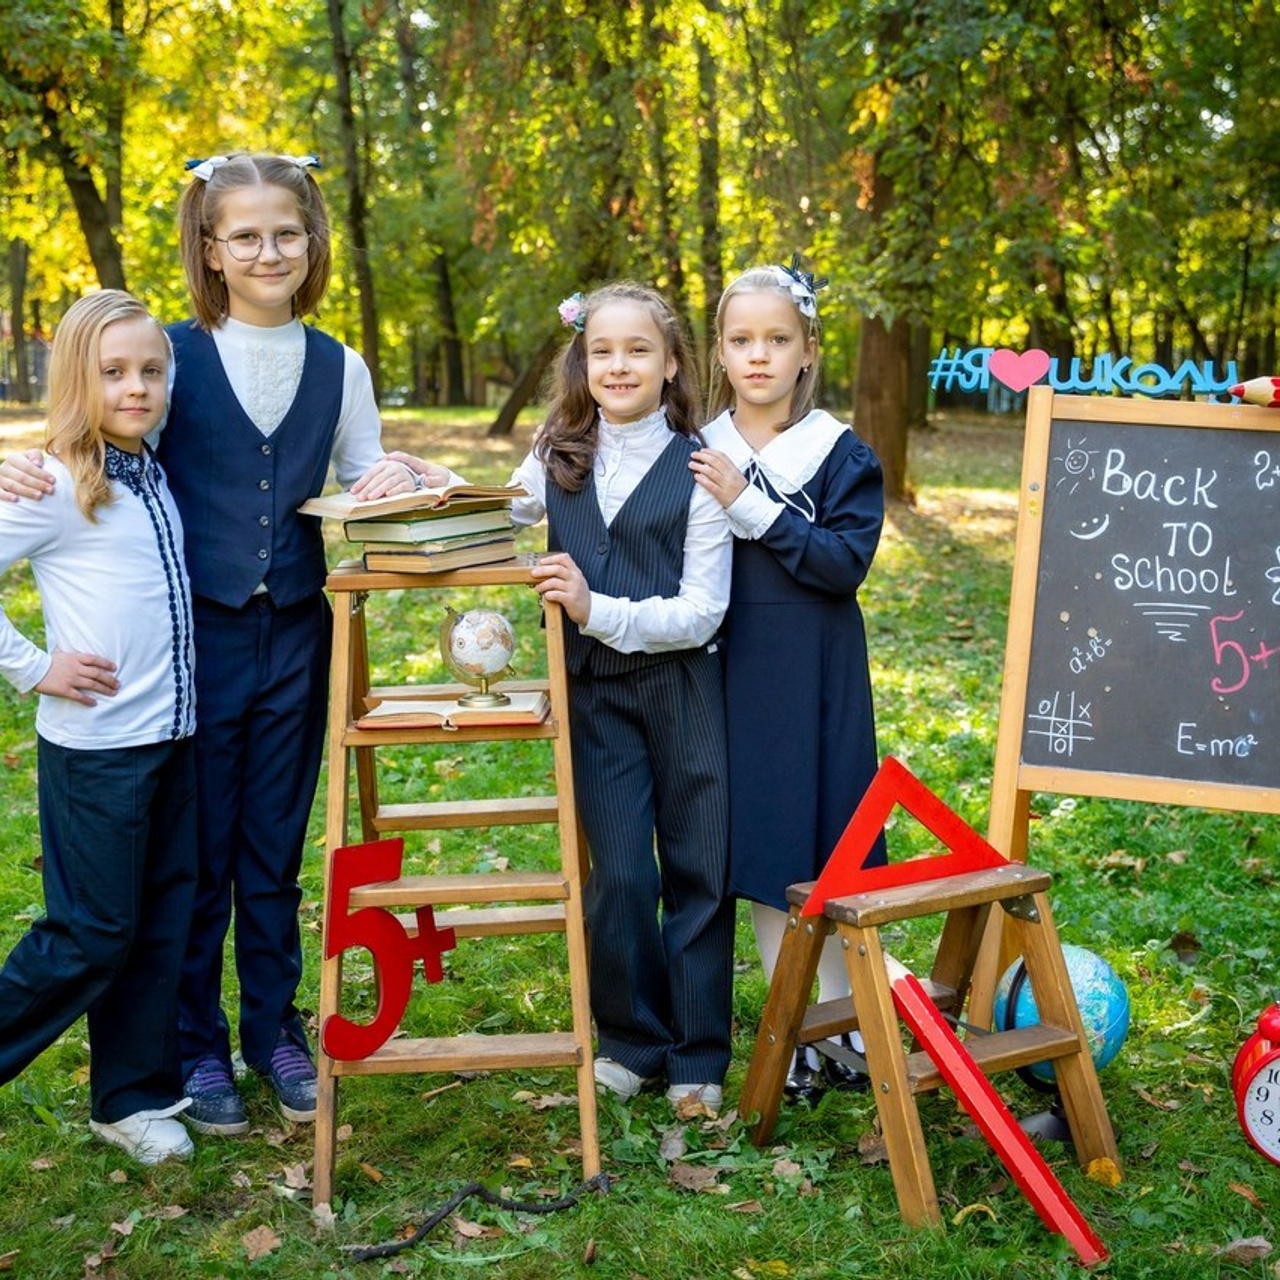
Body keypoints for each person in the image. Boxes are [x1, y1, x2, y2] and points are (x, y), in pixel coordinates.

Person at [0, 154, 417, 1136]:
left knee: (271, 848)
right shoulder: (171, 356)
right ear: (210, 249)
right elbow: (98, 426)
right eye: (246, 235)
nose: (268, 250)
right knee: (193, 858)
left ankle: (274, 1027)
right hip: (192, 649)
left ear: (311, 244)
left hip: (298, 639)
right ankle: (193, 1041)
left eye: (287, 233)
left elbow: (359, 483)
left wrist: (400, 478)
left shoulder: (340, 365)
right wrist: (25, 464)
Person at [390, 283, 736, 1113]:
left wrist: (594, 608)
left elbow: (702, 611)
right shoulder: (554, 453)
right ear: (582, 362)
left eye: (639, 350)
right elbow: (503, 515)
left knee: (698, 869)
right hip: (594, 698)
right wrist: (441, 479)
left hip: (682, 688)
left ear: (672, 363)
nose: (619, 365)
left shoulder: (700, 465)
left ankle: (697, 1054)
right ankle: (631, 1037)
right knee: (617, 874)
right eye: (603, 351)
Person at [0, 290, 198, 1165]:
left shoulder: (151, 464)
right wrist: (35, 667)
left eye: (151, 370)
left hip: (173, 737)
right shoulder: (51, 483)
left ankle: (133, 1097)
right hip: (97, 752)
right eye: (113, 372)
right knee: (90, 932)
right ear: (78, 379)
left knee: (160, 921)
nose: (136, 387)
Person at [690, 258, 885, 1100]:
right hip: (729, 673)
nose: (758, 355)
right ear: (720, 353)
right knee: (768, 845)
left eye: (777, 339)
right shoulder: (697, 447)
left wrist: (753, 506)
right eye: (741, 340)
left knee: (829, 840)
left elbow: (843, 565)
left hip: (819, 669)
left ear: (808, 350)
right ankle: (800, 1030)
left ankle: (854, 1026)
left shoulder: (840, 453)